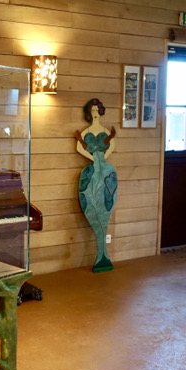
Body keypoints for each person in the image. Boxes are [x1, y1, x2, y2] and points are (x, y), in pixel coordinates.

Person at [74, 98, 117, 272]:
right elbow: (80, 148)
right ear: (88, 114)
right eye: (92, 111)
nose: (95, 114)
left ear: (101, 112)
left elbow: (111, 145)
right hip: (94, 171)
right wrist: (95, 159)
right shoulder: (86, 132)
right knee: (91, 201)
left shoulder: (105, 131)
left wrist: (101, 159)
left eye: (97, 110)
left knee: (105, 203)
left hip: (105, 172)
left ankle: (103, 256)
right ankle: (102, 255)